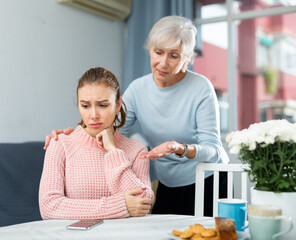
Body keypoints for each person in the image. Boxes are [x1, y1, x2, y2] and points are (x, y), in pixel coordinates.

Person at [43, 16, 229, 216]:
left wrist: (179, 148)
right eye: (158, 52)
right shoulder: (138, 89)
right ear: (150, 49)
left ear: (187, 57)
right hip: (168, 183)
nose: (163, 63)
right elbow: (110, 128)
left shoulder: (201, 88)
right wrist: (73, 135)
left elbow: (214, 150)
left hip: (209, 180)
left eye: (174, 56)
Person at [39, 67, 154, 220]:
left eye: (103, 105)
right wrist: (120, 206)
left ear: (118, 104)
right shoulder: (60, 144)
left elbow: (143, 204)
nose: (93, 115)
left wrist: (113, 151)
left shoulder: (137, 150)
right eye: (85, 106)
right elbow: (49, 207)